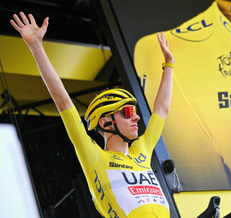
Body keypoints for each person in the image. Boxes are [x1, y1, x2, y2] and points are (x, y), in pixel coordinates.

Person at [10, 12, 174, 218]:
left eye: (135, 112)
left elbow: (161, 110)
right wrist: (36, 46)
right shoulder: (94, 156)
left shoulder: (141, 151)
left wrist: (169, 64)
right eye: (127, 112)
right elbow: (62, 101)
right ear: (105, 122)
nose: (136, 117)